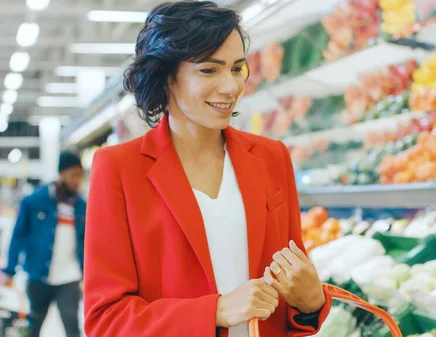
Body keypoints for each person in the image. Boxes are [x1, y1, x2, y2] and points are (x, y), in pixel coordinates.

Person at [83, 2, 332, 337]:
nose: (230, 87)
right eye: (209, 70)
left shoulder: (272, 158)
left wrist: (312, 303)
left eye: (237, 69)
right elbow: (105, 319)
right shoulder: (119, 169)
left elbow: (291, 295)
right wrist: (213, 311)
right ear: (168, 77)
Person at [2, 151, 85, 337]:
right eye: (73, 175)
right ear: (61, 173)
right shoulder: (34, 201)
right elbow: (18, 237)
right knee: (33, 326)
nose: (77, 181)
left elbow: (89, 242)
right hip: (38, 276)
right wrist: (9, 270)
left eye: (80, 176)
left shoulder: (82, 206)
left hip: (70, 279)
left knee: (73, 327)